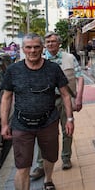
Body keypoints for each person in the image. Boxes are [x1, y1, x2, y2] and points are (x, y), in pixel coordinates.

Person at [0, 33, 74, 190]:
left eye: (36, 47)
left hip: (48, 122)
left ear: (42, 48)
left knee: (50, 156)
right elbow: (6, 98)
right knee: (22, 165)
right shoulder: (13, 70)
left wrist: (69, 119)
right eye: (28, 47)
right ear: (23, 49)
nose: (32, 50)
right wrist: (5, 124)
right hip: (21, 125)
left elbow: (66, 94)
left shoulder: (53, 69)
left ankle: (48, 180)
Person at [30, 32, 84, 180]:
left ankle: (66, 158)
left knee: (68, 129)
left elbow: (80, 77)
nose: (50, 44)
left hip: (64, 99)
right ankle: (41, 165)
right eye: (48, 42)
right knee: (42, 133)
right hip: (45, 102)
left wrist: (79, 97)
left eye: (53, 41)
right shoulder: (40, 59)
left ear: (59, 43)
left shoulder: (69, 58)